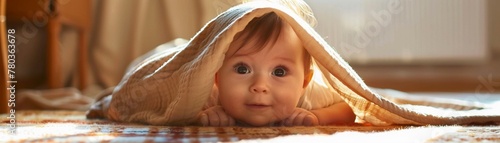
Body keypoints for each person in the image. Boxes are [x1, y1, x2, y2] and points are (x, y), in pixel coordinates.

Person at [197, 0, 355, 127]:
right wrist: (203, 116)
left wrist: (317, 116)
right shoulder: (209, 95)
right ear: (217, 76)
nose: (260, 86)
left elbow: (350, 107)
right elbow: (176, 108)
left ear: (304, 82)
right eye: (242, 69)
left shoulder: (311, 95)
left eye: (279, 72)